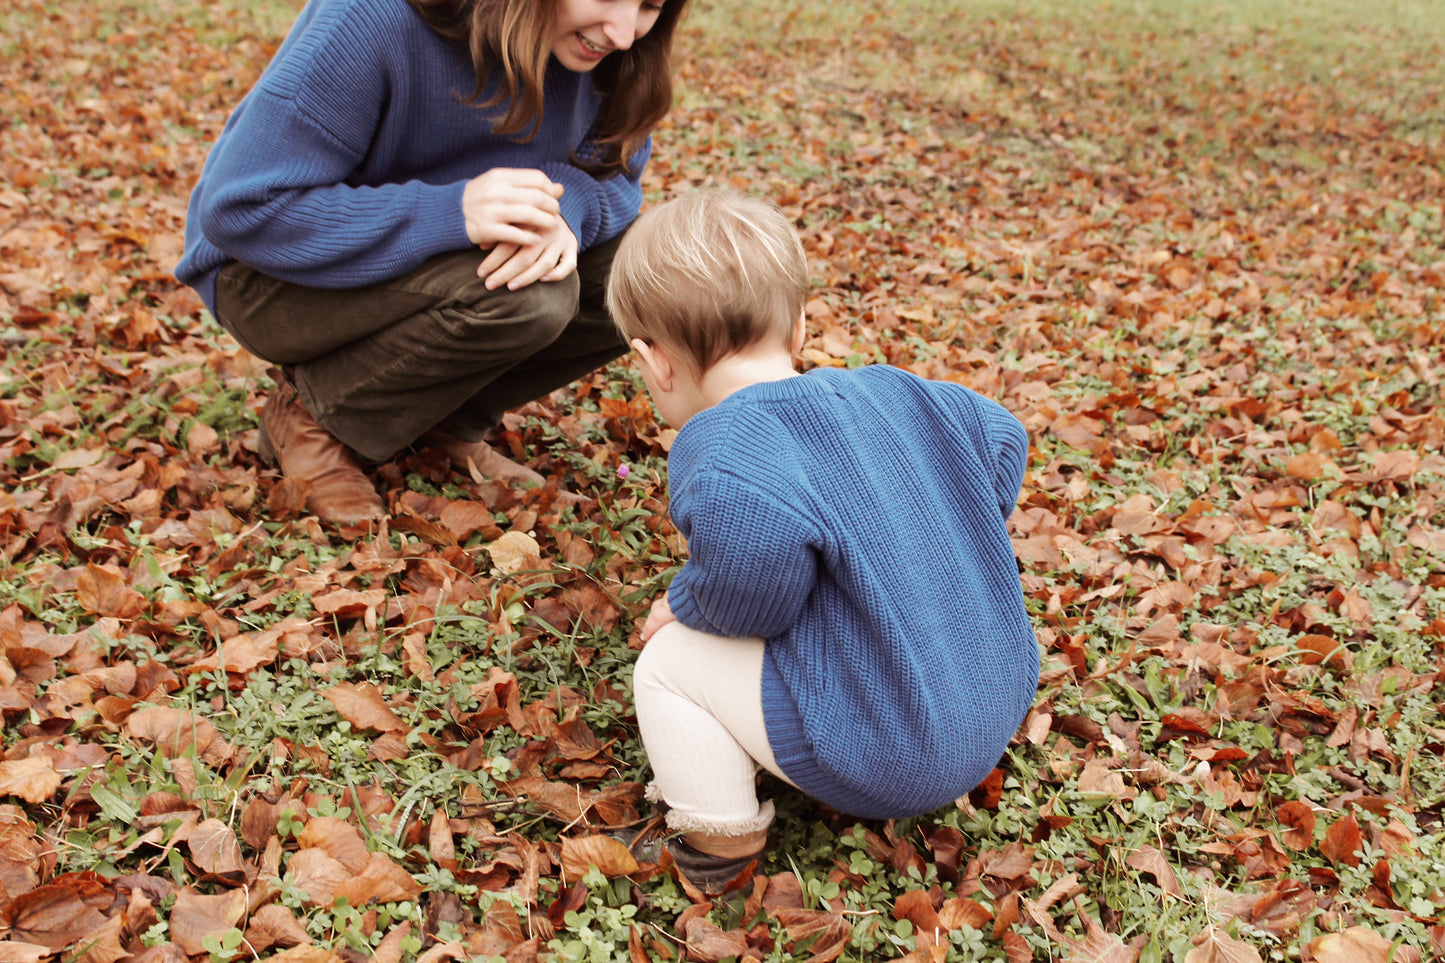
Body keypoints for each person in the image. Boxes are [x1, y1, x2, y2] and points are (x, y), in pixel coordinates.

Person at [606, 190, 1040, 891]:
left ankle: (720, 839)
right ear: (800, 327)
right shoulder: (905, 392)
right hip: (995, 700)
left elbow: (753, 599)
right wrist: (948, 527)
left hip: (896, 755)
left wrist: (683, 605)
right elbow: (1000, 435)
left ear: (654, 362)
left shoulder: (720, 446)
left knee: (667, 665)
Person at [175, 0, 689, 524]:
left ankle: (447, 422)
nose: (624, 34)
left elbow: (616, 175)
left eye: (649, 5)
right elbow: (242, 209)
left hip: (437, 258)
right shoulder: (374, 17)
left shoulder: (614, 55)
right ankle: (312, 413)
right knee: (532, 297)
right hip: (266, 273)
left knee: (653, 280)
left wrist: (565, 212)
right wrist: (452, 210)